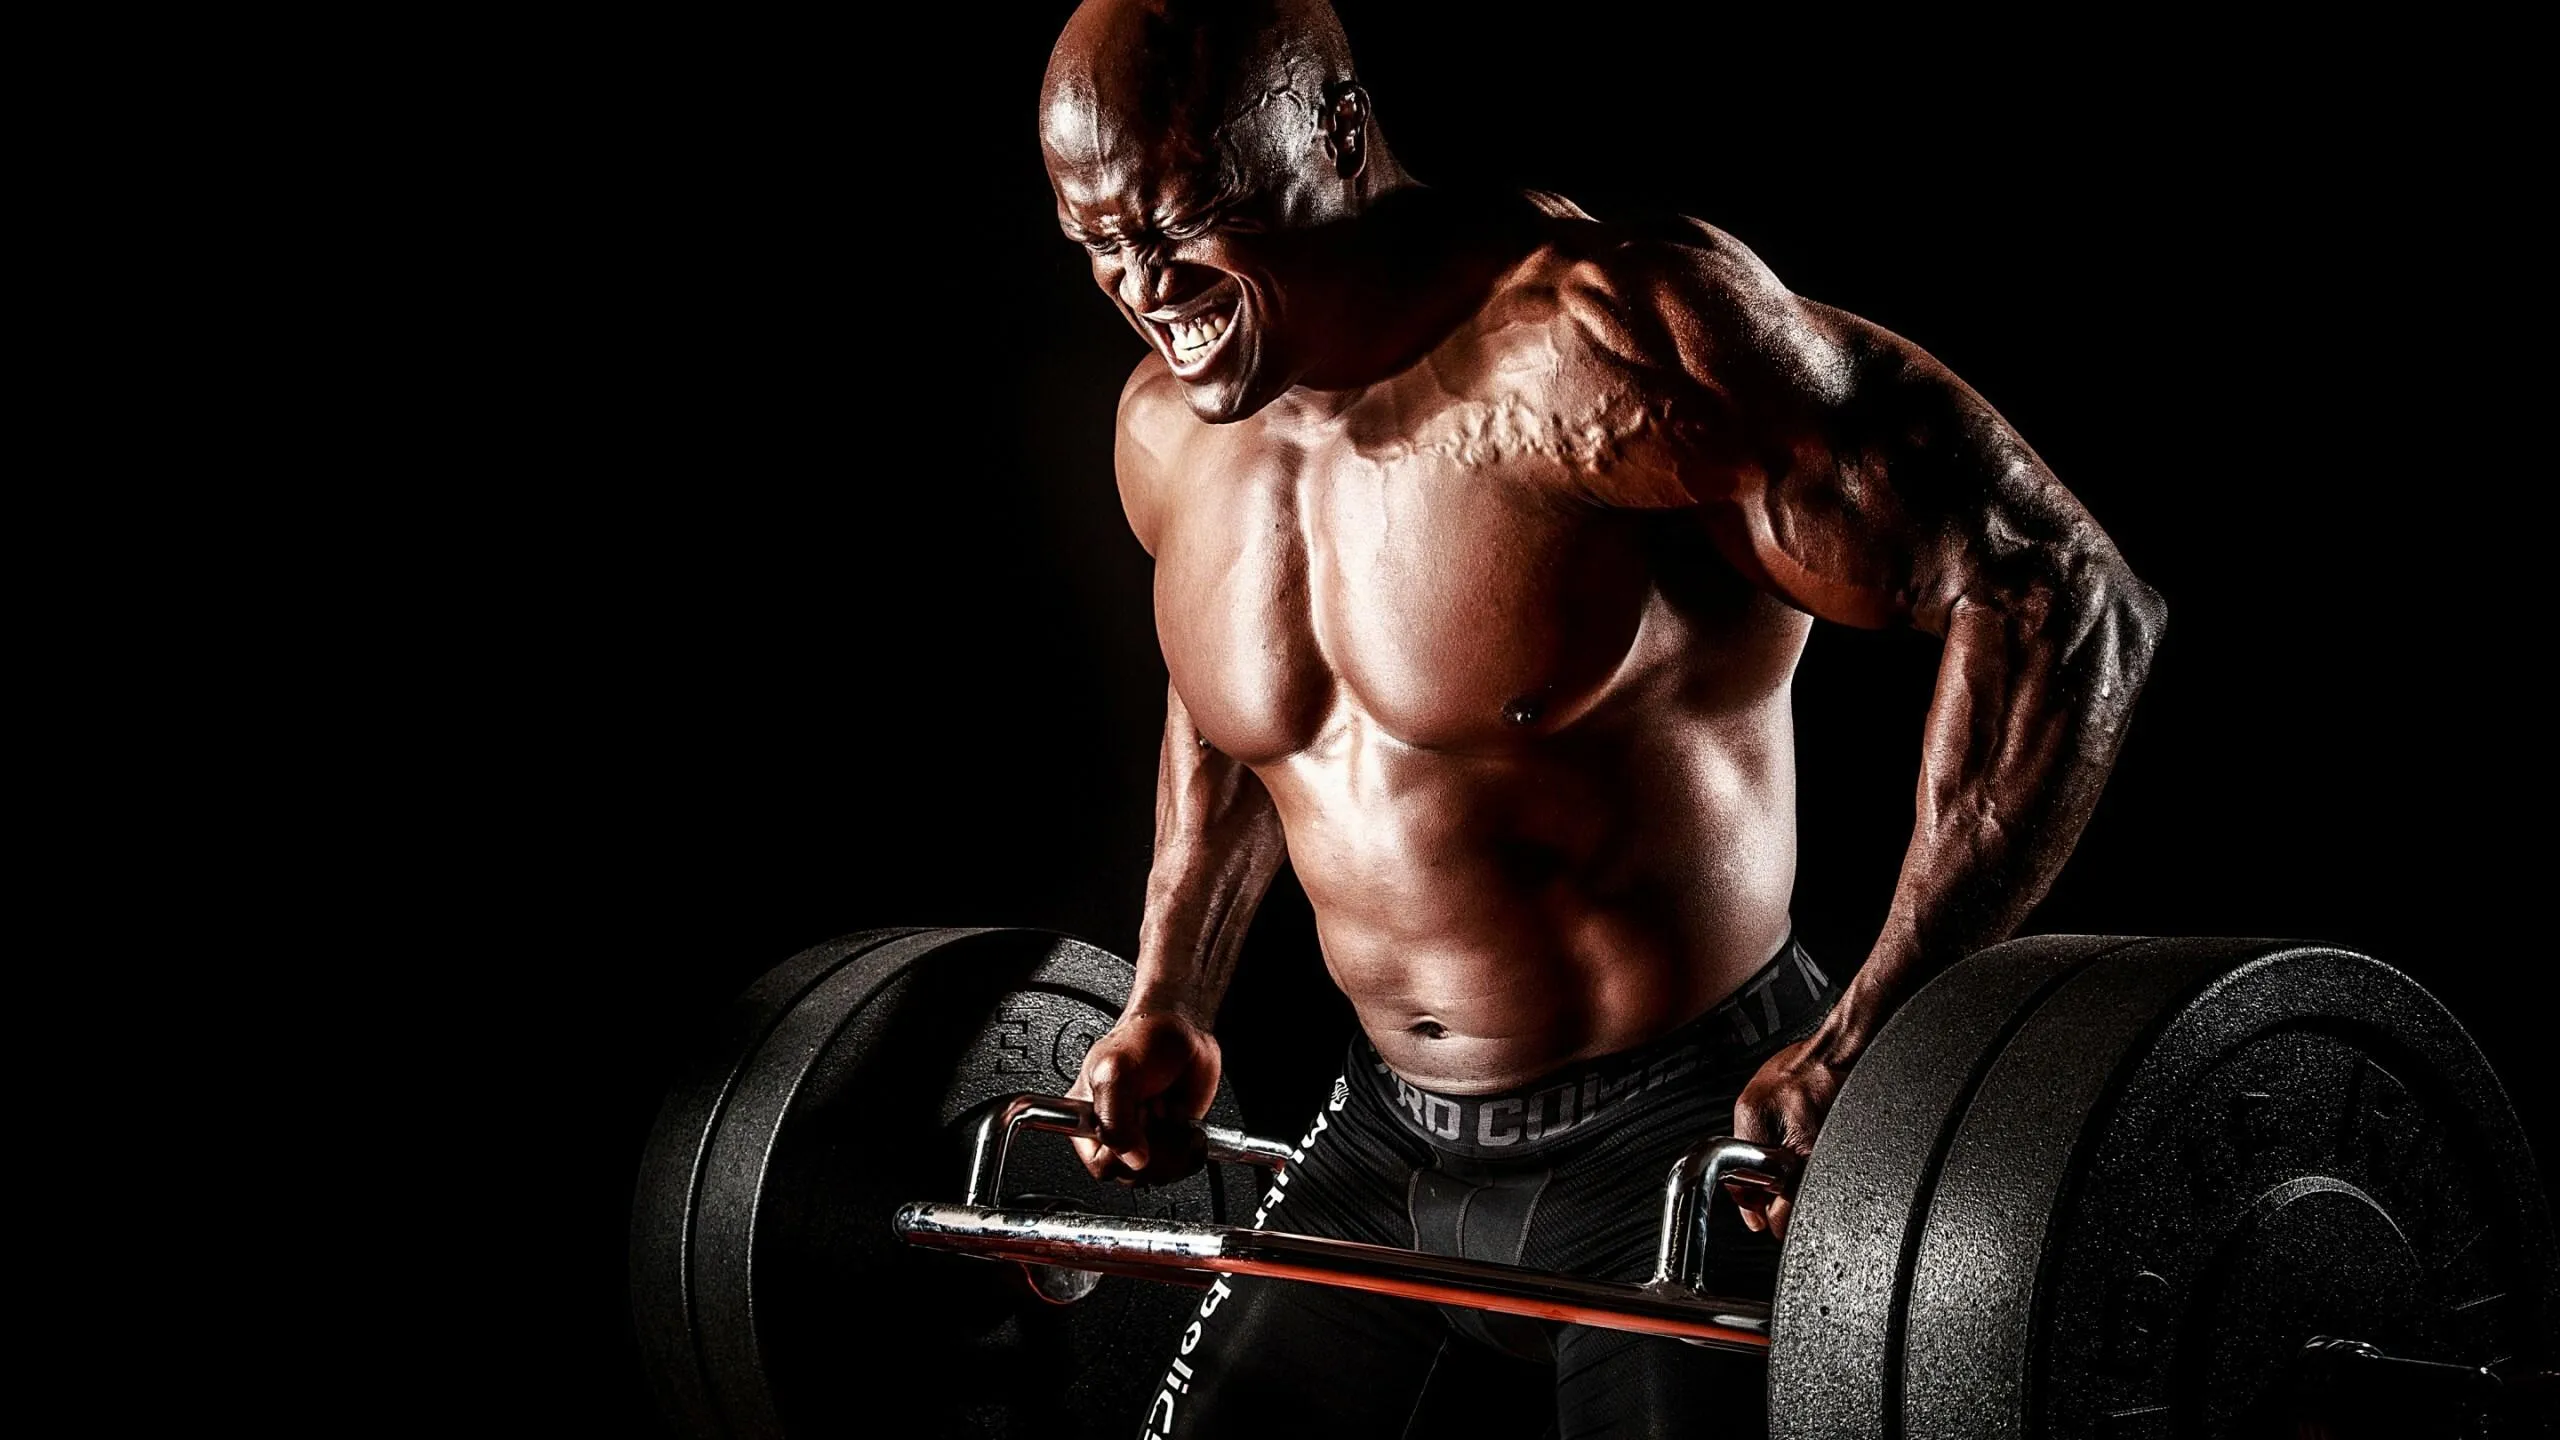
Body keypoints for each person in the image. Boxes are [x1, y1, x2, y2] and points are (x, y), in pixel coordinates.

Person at [1040, 1, 2163, 1433]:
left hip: (1690, 1138)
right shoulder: (1168, 431)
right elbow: (1231, 708)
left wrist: (1879, 1037)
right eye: (1098, 242)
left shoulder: (1609, 342)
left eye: (1191, 219)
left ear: (1337, 129)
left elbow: (2054, 587)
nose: (1147, 285)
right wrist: (1170, 993)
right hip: (1383, 1134)